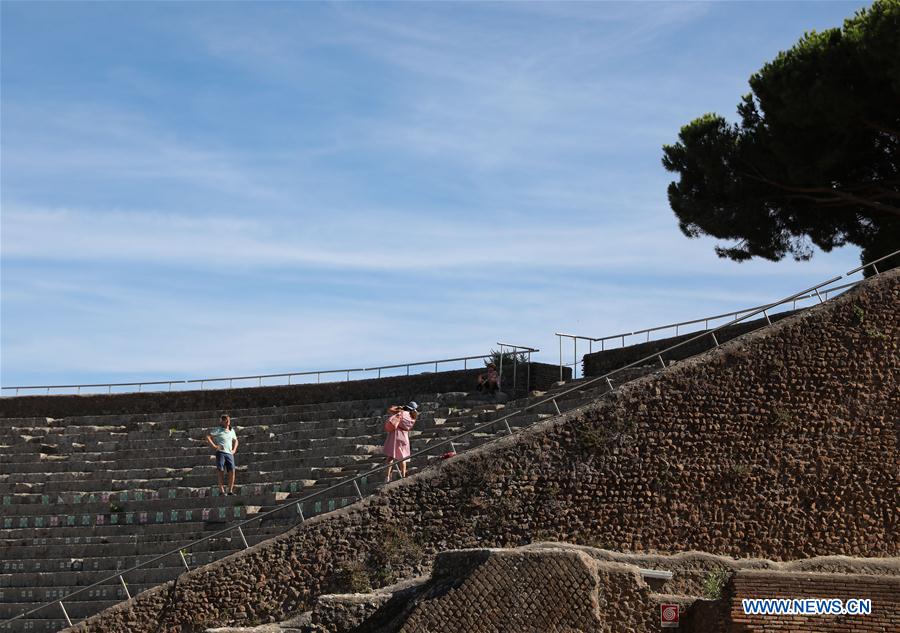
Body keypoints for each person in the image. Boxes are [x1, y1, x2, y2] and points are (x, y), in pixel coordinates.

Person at [383, 402, 418, 483]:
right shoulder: (413, 417)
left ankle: (387, 477)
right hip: (405, 435)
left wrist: (399, 407)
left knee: (390, 457)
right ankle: (403, 475)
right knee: (403, 457)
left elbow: (390, 409)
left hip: (396, 434)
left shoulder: (401, 413)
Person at [207, 414, 239, 495]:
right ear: (222, 421)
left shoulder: (232, 430)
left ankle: (230, 490)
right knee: (220, 470)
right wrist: (214, 446)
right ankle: (221, 490)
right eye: (225, 420)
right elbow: (208, 436)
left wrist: (234, 449)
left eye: (228, 419)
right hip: (221, 452)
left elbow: (236, 440)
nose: (227, 421)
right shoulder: (218, 430)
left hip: (229, 453)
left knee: (232, 471)